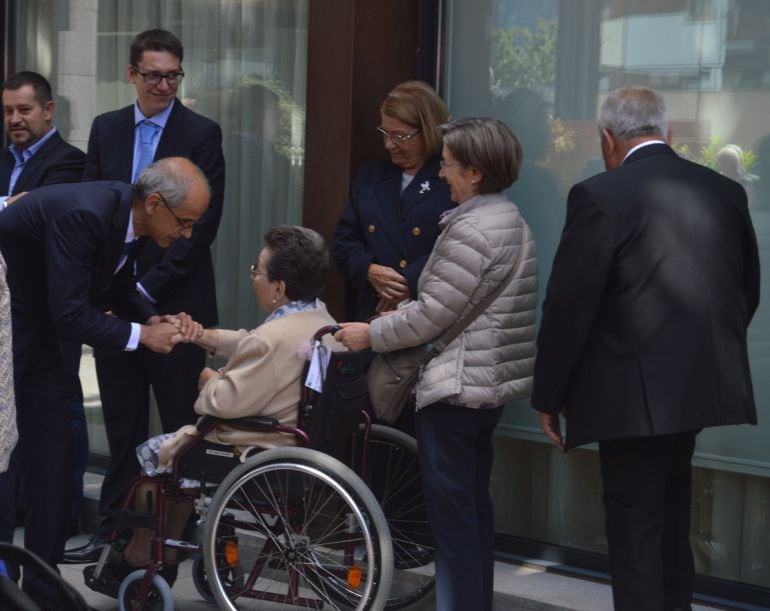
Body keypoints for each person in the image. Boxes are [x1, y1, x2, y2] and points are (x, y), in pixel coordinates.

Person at [531, 86, 759, 611]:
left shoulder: (598, 194)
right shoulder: (724, 191)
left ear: (607, 139)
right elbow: (746, 290)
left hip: (628, 397)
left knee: (635, 532)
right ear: (668, 133)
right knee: (672, 523)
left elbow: (570, 305)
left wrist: (550, 392)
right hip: (698, 387)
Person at [335, 118, 538, 611]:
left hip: (454, 386)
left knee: (452, 519)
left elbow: (433, 316)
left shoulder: (472, 229)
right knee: (471, 511)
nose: (441, 175)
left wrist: (370, 333)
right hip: (483, 385)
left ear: (474, 172)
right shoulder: (508, 220)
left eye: (447, 166)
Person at [84, 225, 341, 597]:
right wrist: (203, 336)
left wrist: (208, 379)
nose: (252, 275)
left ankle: (146, 551)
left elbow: (224, 401)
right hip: (289, 438)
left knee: (154, 460)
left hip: (253, 445)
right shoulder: (318, 319)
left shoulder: (273, 339)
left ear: (279, 288)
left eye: (257, 270)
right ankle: (169, 548)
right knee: (181, 464)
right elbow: (253, 344)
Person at [0, 156, 209, 607]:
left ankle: (42, 582)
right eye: (186, 222)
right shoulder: (86, 214)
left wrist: (154, 317)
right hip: (8, 329)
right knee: (8, 456)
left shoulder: (125, 213)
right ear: (154, 204)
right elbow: (70, 312)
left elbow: (118, 284)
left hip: (39, 335)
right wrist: (142, 336)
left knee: (54, 458)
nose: (188, 234)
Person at [68, 28, 226, 563]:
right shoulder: (106, 128)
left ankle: (181, 536)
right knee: (122, 422)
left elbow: (200, 229)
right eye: (153, 74)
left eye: (173, 75)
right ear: (131, 74)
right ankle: (114, 530)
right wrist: (114, 291)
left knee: (184, 424)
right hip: (117, 305)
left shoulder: (202, 132)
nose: (164, 84)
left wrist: (142, 288)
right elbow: (91, 206)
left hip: (178, 302)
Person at [0, 70, 88, 548]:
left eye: (24, 110)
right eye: (8, 110)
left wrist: (18, 208)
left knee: (49, 440)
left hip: (47, 320)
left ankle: (43, 564)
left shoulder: (71, 164)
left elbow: (33, 220)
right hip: (3, 322)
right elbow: (15, 212)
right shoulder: (2, 160)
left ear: (49, 110)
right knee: (3, 442)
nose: (15, 119)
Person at [332, 80, 453, 322]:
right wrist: (369, 270)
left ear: (428, 131)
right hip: (373, 314)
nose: (389, 144)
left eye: (400, 136)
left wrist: (407, 280)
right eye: (385, 133)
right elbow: (344, 240)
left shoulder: (450, 178)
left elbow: (457, 247)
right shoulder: (371, 177)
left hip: (426, 315)